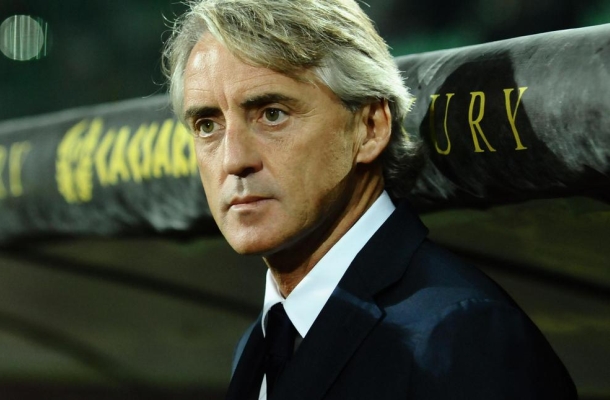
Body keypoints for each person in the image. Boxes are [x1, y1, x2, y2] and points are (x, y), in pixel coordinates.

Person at [163, 0, 577, 399]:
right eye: (207, 125)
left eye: (273, 113)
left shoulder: (461, 336)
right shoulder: (262, 342)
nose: (234, 160)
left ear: (371, 127)